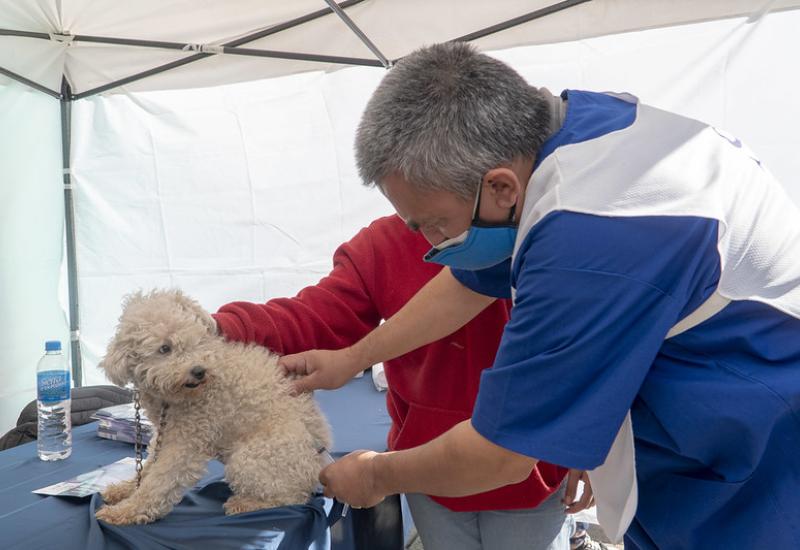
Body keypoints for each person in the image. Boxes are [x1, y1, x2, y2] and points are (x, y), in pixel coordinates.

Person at [280, 42, 800, 549]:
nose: (431, 246)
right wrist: (353, 358)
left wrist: (377, 475)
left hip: (753, 466)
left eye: (436, 225)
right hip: (706, 432)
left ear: (501, 187)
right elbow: (468, 283)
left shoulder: (594, 238)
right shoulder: (569, 132)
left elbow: (502, 453)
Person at [212, 214, 596, 550]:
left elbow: (590, 341)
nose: (430, 232)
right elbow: (318, 314)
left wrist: (593, 440)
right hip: (427, 470)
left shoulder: (538, 240)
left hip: (531, 477)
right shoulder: (384, 244)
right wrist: (218, 329)